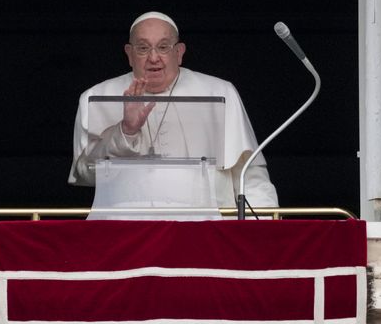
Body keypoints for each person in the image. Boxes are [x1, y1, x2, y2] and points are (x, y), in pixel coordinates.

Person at [68, 11, 278, 216]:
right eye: (143, 48)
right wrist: (126, 131)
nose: (153, 57)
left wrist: (262, 231)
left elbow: (250, 175)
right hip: (125, 231)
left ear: (179, 53)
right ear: (129, 54)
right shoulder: (97, 96)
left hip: (205, 230)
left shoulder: (220, 92)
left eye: (163, 47)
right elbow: (88, 173)